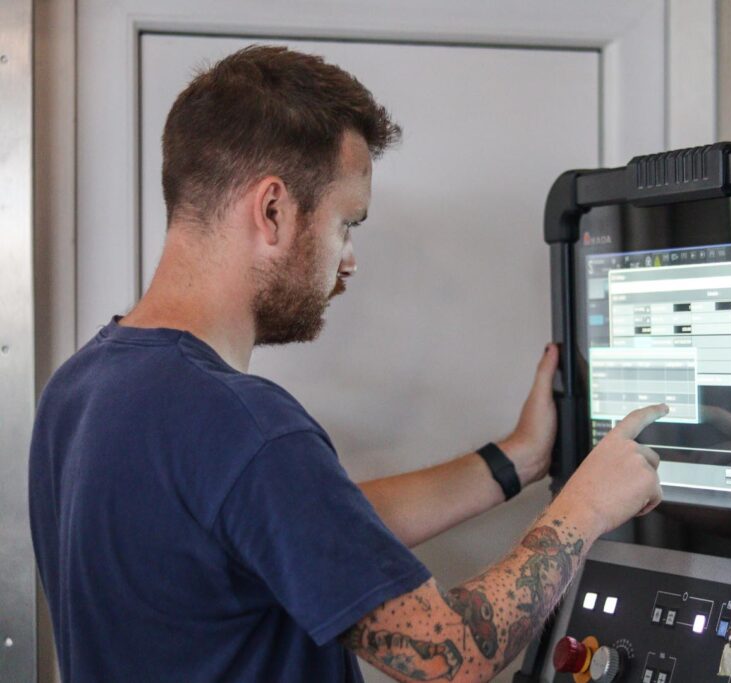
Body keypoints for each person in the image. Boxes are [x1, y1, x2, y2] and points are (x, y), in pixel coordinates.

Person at [29, 45, 666, 682]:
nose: (350, 259)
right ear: (273, 210)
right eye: (347, 223)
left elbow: (303, 530)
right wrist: (585, 509)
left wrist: (519, 458)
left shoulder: (79, 390)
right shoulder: (244, 425)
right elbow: (454, 657)